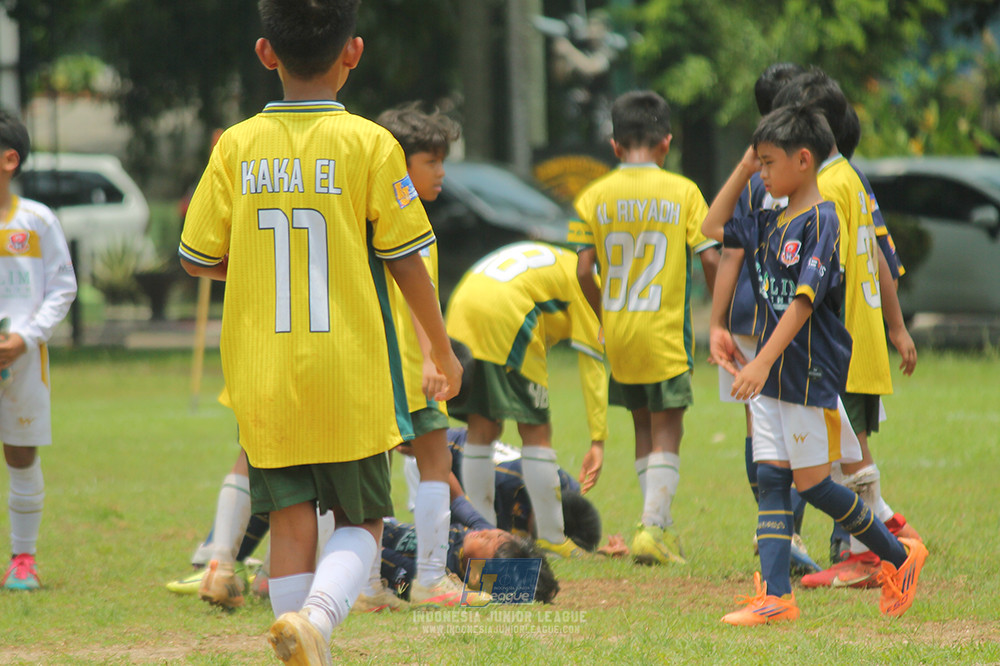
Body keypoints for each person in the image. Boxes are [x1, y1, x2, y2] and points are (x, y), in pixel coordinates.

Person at [178, 2, 462, 664]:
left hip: (263, 372)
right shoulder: (370, 144)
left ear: (265, 53)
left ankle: (304, 643)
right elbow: (405, 260)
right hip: (349, 370)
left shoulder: (237, 145)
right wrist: (440, 347)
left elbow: (196, 257)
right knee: (362, 519)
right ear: (353, 52)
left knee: (290, 517)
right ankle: (318, 621)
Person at [702, 104, 928, 624]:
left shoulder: (823, 220)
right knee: (773, 480)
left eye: (768, 163)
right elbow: (713, 225)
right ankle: (776, 598)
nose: (760, 174)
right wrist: (745, 165)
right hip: (771, 373)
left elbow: (803, 303)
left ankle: (899, 556)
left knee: (813, 485)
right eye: (756, 164)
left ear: (803, 160)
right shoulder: (769, 215)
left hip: (803, 373)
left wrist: (760, 363)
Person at [771, 70, 921, 588]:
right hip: (859, 337)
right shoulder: (850, 177)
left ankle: (880, 546)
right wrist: (896, 327)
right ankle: (877, 536)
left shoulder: (823, 187)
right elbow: (880, 254)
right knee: (841, 449)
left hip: (838, 342)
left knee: (843, 449)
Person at [572, 90, 720, 565]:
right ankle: (652, 527)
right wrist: (720, 317)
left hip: (618, 330)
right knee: (668, 427)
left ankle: (652, 521)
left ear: (614, 146)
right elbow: (711, 256)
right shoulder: (683, 192)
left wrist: (602, 317)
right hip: (663, 332)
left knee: (641, 421)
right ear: (666, 143)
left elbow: (581, 271)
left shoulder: (593, 196)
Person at [711, 63, 819, 576]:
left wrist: (717, 320)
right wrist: (718, 326)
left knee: (774, 436)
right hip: (776, 326)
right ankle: (786, 531)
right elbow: (725, 243)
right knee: (779, 436)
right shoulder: (771, 176)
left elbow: (728, 253)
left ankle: (781, 530)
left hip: (773, 324)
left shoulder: (797, 183)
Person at [358, 103, 467, 607]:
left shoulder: (365, 210)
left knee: (366, 469)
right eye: (431, 161)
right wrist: (432, 359)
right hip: (406, 364)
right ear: (399, 166)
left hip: (372, 363)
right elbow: (415, 288)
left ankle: (366, 586)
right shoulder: (405, 213)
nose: (441, 172)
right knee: (434, 459)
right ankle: (429, 578)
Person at [446, 240, 607, 560]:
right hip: (509, 313)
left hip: (463, 305)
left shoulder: (563, 259)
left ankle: (483, 528)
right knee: (536, 430)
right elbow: (593, 365)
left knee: (483, 426)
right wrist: (598, 439)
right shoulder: (593, 284)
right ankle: (551, 536)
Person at [0, 109, 78, 591]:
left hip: (23, 360)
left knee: (20, 453)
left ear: (10, 160)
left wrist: (25, 337)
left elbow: (62, 287)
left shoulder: (37, 221)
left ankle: (22, 560)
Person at [400, 427, 603, 551]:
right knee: (449, 537)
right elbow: (491, 536)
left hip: (460, 451)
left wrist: (597, 550)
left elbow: (567, 541)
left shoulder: (565, 488)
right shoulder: (508, 487)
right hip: (431, 455)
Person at [377, 494, 560, 606]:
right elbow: (457, 499)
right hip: (382, 525)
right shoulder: (481, 534)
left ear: (479, 574)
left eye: (489, 543)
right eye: (500, 534)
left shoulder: (438, 576)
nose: (486, 532)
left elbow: (378, 554)